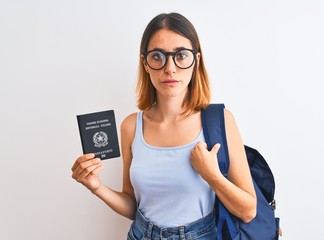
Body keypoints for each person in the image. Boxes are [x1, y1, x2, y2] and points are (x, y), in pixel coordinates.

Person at [71, 12, 256, 240]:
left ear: (196, 61)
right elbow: (132, 206)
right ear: (145, 63)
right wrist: (96, 186)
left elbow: (248, 211)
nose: (170, 68)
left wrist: (212, 176)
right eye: (158, 56)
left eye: (181, 55)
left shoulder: (220, 121)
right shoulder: (131, 126)